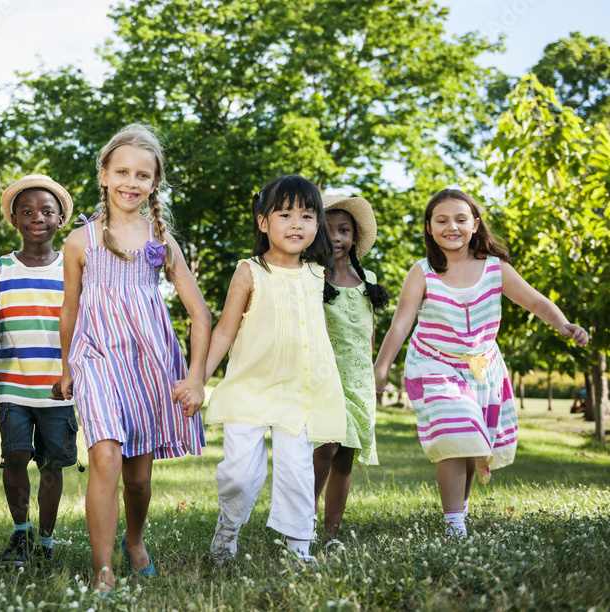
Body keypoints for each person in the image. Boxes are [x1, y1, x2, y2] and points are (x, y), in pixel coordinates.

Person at [373, 188, 589, 538]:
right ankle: (454, 526)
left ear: (475, 224)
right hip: (433, 364)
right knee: (456, 427)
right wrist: (381, 369)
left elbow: (536, 302)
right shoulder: (422, 272)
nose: (451, 227)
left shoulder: (495, 269)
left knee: (472, 440)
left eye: (460, 219)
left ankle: (460, 510)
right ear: (429, 228)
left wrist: (562, 323)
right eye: (441, 220)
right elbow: (401, 323)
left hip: (482, 368)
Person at [57, 124, 211, 593]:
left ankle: (135, 538)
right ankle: (102, 570)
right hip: (97, 357)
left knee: (139, 480)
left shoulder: (160, 242)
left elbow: (200, 315)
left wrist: (197, 377)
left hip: (149, 363)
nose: (131, 181)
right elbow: (69, 309)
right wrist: (67, 366)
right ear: (103, 175)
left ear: (154, 184)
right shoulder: (79, 242)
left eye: (142, 175)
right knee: (105, 456)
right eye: (121, 171)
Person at [204, 175, 345, 567]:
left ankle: (298, 550)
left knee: (298, 472)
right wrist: (197, 380)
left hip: (298, 393)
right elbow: (225, 330)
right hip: (250, 388)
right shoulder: (250, 271)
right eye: (284, 214)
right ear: (263, 222)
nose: (296, 223)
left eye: (307, 215)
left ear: (318, 224)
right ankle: (227, 531)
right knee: (239, 475)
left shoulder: (318, 274)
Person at [0, 175, 78, 566]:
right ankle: (20, 532)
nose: (36, 217)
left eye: (46, 211)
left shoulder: (74, 270)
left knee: (52, 464)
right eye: (27, 211)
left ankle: (46, 537)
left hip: (59, 386)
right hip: (12, 381)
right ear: (14, 219)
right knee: (15, 455)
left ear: (60, 219)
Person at [313, 195, 390, 547]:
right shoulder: (312, 276)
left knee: (345, 457)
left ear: (354, 238)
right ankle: (301, 521)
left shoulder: (366, 278)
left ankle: (331, 534)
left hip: (358, 378)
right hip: (325, 376)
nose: (336, 239)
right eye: (328, 232)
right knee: (325, 447)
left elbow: (369, 333)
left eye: (343, 230)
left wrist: (375, 375)